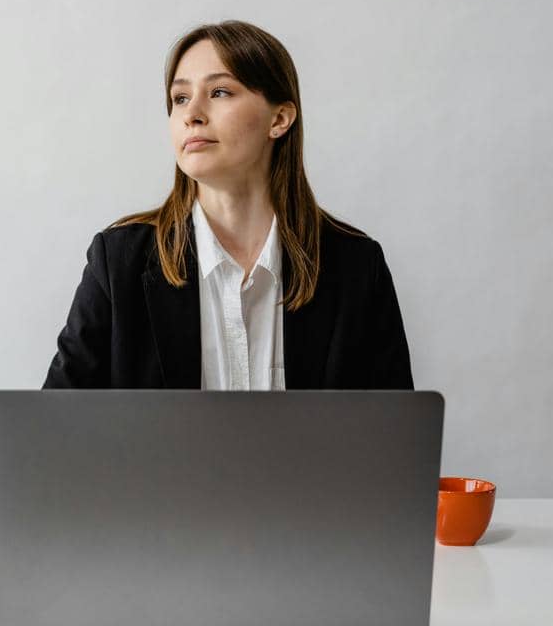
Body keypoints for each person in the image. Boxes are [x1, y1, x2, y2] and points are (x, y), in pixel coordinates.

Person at [43, 20, 413, 390]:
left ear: (279, 119)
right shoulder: (117, 263)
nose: (192, 114)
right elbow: (54, 432)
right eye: (180, 98)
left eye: (219, 92)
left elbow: (394, 439)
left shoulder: (357, 268)